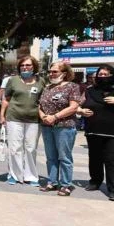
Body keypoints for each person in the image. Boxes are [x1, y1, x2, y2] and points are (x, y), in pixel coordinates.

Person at [78, 64, 114, 201]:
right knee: (95, 158)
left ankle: (113, 189)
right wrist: (81, 111)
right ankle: (95, 181)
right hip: (93, 131)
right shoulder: (89, 90)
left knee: (112, 161)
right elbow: (77, 106)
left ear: (112, 76)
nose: (103, 77)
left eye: (106, 74)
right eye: (100, 74)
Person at [0, 55, 45, 186]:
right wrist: (2, 115)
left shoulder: (41, 81)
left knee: (31, 148)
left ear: (34, 67)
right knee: (15, 148)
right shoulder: (13, 80)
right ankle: (14, 175)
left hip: (33, 119)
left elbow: (43, 101)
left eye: (28, 65)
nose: (25, 67)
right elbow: (6, 99)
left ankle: (31, 176)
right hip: (14, 118)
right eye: (22, 65)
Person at [37, 61, 80, 195]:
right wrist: (43, 116)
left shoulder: (72, 87)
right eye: (50, 72)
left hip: (64, 126)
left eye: (55, 71)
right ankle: (52, 182)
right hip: (47, 126)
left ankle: (65, 185)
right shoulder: (47, 87)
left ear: (64, 73)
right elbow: (40, 105)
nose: (51, 74)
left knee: (64, 157)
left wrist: (55, 117)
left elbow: (73, 107)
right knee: (51, 156)